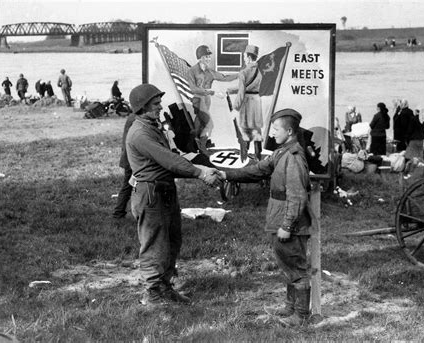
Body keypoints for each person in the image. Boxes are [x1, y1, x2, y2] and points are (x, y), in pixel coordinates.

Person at [125, 83, 222, 306]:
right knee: (155, 244)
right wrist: (201, 173)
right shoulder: (140, 133)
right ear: (142, 107)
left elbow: (174, 156)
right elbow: (169, 161)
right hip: (151, 194)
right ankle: (152, 293)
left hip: (164, 190)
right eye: (156, 104)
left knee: (171, 241)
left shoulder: (153, 127)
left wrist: (203, 167)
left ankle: (164, 287)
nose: (160, 107)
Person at [217, 109, 312, 327]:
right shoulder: (281, 153)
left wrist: (287, 225)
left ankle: (301, 316)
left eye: (276, 129)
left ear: (289, 131)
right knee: (287, 265)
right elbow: (258, 170)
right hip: (278, 215)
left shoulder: (294, 157)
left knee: (297, 269)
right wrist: (226, 174)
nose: (273, 133)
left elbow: (297, 195)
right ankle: (290, 308)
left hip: (290, 222)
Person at [187, 44, 238, 152]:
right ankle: (202, 148)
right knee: (209, 124)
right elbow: (194, 89)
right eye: (206, 56)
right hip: (198, 100)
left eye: (209, 56)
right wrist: (213, 92)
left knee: (199, 124)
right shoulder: (192, 71)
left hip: (206, 100)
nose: (208, 58)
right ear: (200, 57)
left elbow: (225, 77)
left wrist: (240, 74)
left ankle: (194, 146)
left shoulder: (210, 72)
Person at [227, 44, 263, 160]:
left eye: (244, 56)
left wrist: (235, 108)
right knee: (256, 129)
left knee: (245, 130)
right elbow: (248, 87)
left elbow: (242, 92)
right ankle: (258, 157)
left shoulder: (243, 72)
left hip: (246, 102)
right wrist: (231, 90)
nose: (243, 58)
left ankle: (244, 157)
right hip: (256, 101)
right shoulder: (259, 71)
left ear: (248, 57)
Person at [112, 112, 136, 219]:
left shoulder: (133, 116)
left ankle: (119, 212)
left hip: (130, 156)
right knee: (127, 186)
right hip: (132, 157)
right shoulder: (136, 118)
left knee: (127, 186)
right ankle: (118, 212)